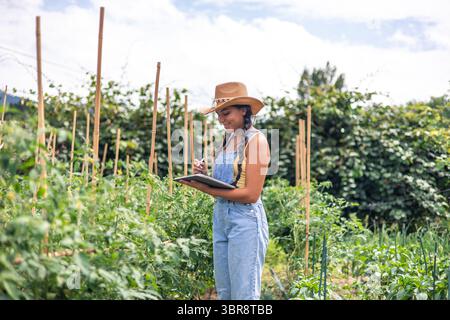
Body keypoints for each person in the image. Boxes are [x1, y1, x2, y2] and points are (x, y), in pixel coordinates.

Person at [179, 82, 270, 300]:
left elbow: (251, 194)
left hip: (245, 220)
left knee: (244, 294)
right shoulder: (227, 140)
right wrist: (205, 175)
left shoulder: (257, 141)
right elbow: (229, 182)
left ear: (244, 110)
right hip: (221, 216)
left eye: (226, 113)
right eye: (219, 114)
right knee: (226, 293)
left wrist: (207, 189)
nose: (221, 120)